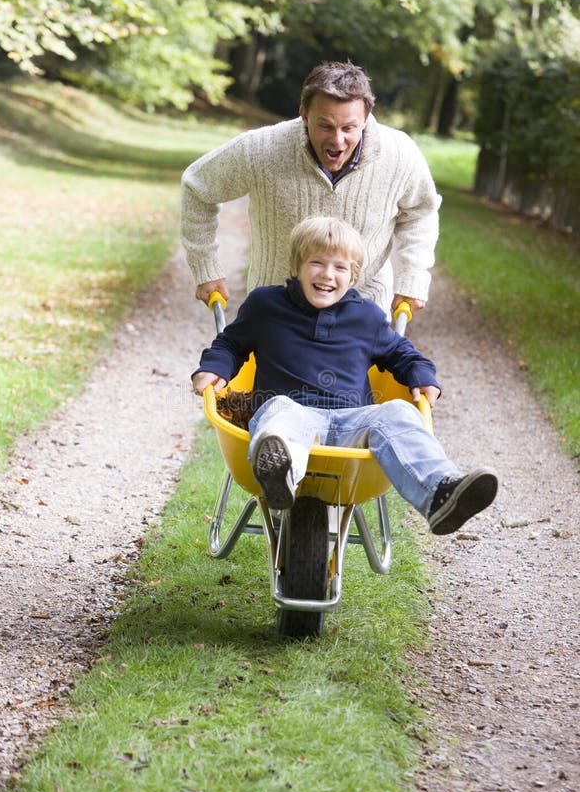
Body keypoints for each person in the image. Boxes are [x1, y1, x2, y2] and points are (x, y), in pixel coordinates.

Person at [192, 216, 498, 536]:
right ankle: (281, 475)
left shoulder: (365, 317)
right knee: (279, 410)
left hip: (352, 423)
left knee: (397, 411)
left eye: (340, 268)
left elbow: (402, 353)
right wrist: (213, 369)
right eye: (317, 262)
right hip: (292, 416)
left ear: (353, 277)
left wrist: (423, 377)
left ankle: (439, 494)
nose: (327, 274)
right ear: (297, 266)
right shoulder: (266, 305)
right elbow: (230, 343)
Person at [181, 60, 441, 317]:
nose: (337, 140)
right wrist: (206, 267)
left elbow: (421, 212)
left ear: (365, 118)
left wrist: (414, 275)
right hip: (276, 314)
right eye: (325, 126)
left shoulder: (399, 154)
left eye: (349, 128)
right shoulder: (261, 149)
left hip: (363, 316)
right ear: (304, 113)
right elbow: (197, 187)